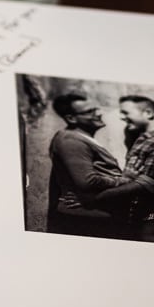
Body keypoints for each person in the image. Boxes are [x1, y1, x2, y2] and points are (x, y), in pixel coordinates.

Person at [46, 93, 126, 236]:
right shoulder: (70, 140)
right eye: (90, 112)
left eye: (96, 109)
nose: (99, 113)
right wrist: (121, 181)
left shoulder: (81, 138)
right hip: (84, 221)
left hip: (94, 217)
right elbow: (88, 181)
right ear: (71, 118)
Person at [87, 95, 154, 241]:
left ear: (148, 113)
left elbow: (149, 183)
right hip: (139, 215)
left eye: (126, 112)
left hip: (153, 219)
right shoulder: (146, 138)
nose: (122, 117)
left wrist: (97, 198)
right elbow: (132, 179)